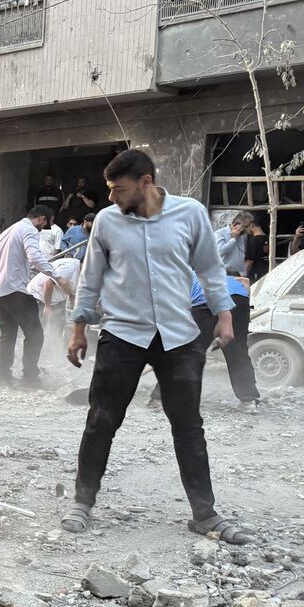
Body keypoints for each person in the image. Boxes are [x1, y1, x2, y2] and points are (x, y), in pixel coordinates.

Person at [63, 148, 249, 545]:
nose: (111, 198)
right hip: (122, 335)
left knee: (188, 426)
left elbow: (210, 268)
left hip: (178, 337)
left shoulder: (190, 213)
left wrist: (225, 313)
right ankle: (82, 502)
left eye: (118, 189)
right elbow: (90, 277)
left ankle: (204, 513)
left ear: (146, 182)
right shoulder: (109, 222)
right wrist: (78, 326)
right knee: (101, 421)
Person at [150, 274, 261, 408]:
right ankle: (248, 400)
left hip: (206, 302)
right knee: (237, 350)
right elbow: (245, 282)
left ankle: (160, 398)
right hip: (239, 299)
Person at [0, 205, 67, 387]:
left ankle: (3, 376)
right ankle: (30, 377)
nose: (41, 229)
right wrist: (58, 277)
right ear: (41, 220)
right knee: (35, 334)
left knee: (8, 334)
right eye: (44, 225)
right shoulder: (29, 230)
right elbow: (35, 258)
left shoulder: (8, 231)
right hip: (15, 290)